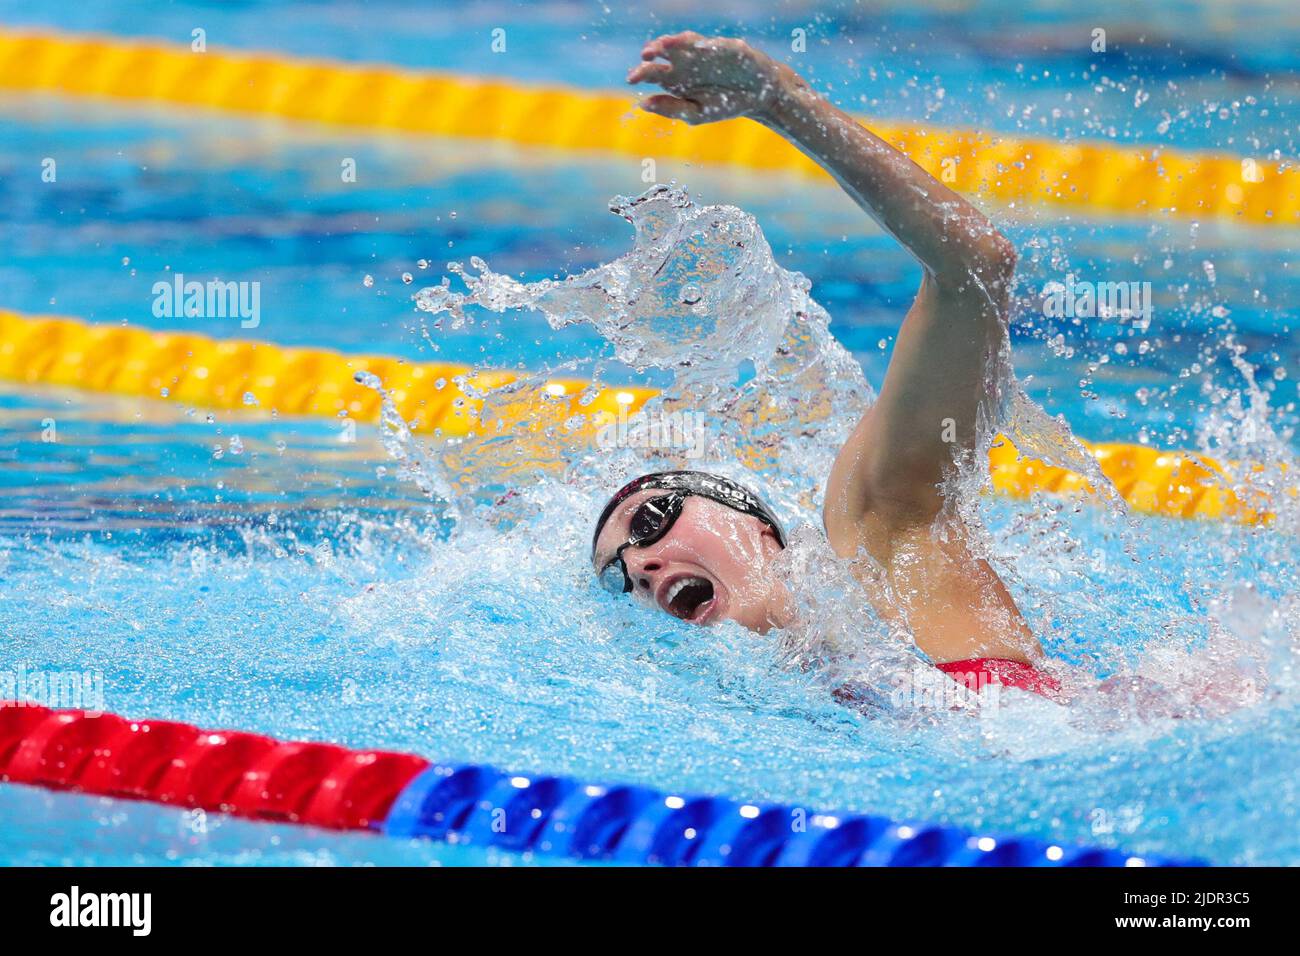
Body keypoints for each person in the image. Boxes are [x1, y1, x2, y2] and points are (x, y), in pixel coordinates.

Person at [591, 32, 1060, 700]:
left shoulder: (882, 536)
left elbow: (975, 269)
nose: (639, 562)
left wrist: (781, 103)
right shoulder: (768, 717)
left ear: (757, 524)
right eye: (620, 575)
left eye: (651, 520)